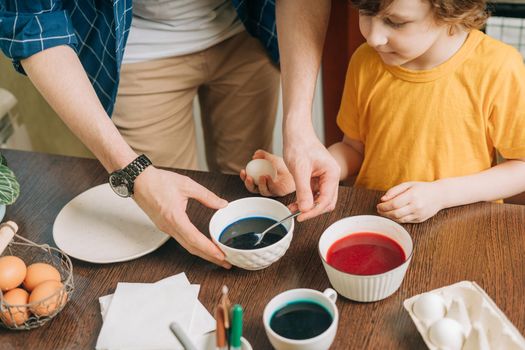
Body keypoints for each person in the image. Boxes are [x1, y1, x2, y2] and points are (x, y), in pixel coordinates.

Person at [0, 0, 339, 267]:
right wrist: (133, 171)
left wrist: (299, 124)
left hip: (247, 30)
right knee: (172, 225)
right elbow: (33, 22)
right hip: (135, 51)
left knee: (252, 184)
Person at [241, 0, 525, 223]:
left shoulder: (500, 68)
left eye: (395, 21)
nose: (374, 36)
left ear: (450, 8)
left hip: (460, 227)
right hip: (373, 221)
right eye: (365, 11)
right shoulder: (365, 61)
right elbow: (354, 148)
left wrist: (442, 195)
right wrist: (306, 172)